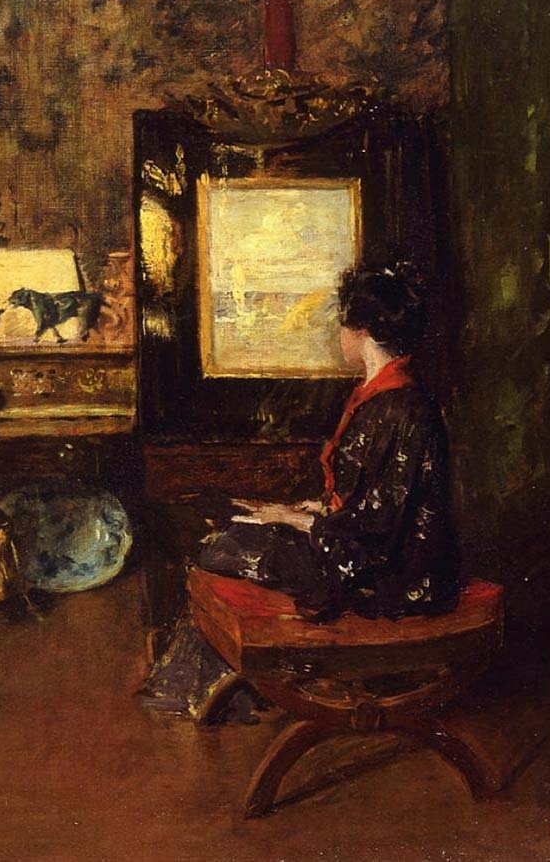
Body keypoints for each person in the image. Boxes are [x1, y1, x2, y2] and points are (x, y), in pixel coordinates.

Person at [141, 261, 461, 718]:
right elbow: (359, 496)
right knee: (229, 525)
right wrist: (295, 510)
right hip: (359, 548)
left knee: (223, 546)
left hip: (388, 572)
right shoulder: (379, 396)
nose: (339, 335)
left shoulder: (403, 408)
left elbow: (380, 523)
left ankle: (215, 692)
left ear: (362, 331)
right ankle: (209, 688)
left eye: (343, 325)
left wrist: (294, 519)